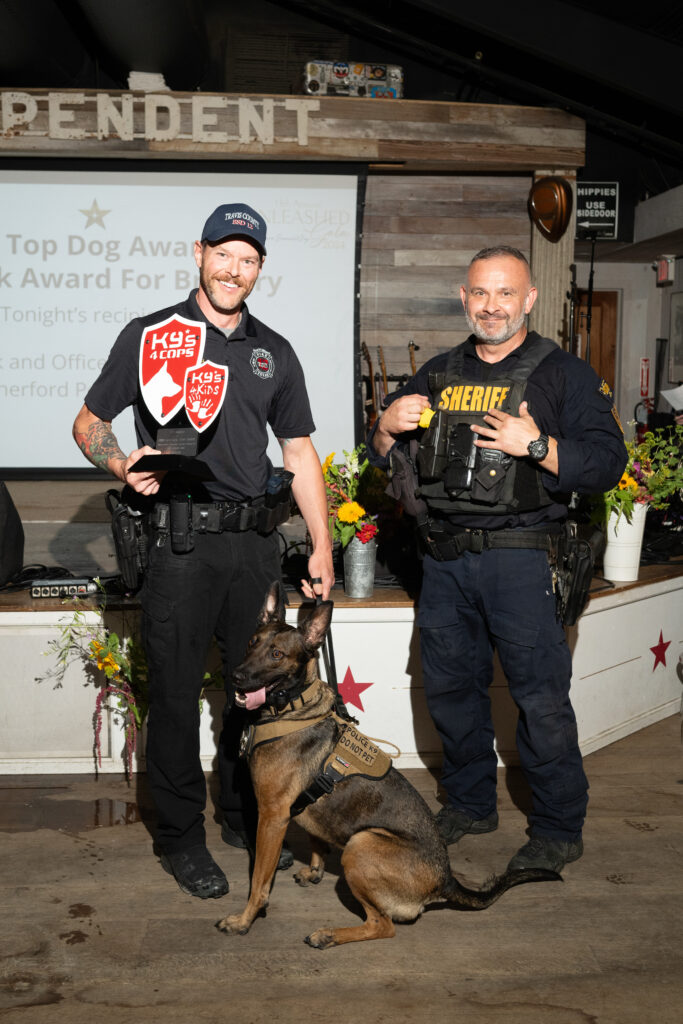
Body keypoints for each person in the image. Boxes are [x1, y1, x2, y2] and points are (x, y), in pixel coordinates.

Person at [73, 203, 334, 899]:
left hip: (256, 548)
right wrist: (120, 463)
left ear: (259, 269)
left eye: (248, 260)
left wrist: (321, 545)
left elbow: (299, 451)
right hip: (181, 545)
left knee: (253, 695)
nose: (233, 270)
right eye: (224, 254)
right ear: (199, 253)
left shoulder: (274, 350)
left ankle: (244, 819)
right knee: (176, 693)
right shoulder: (150, 334)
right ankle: (181, 837)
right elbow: (89, 421)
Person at [368, 245, 627, 873]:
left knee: (540, 701)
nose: (492, 306)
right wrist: (385, 425)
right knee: (452, 693)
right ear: (464, 298)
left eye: (505, 293)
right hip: (444, 562)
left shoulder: (564, 374)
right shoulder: (437, 372)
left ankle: (558, 828)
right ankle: (469, 802)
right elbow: (379, 457)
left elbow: (608, 463)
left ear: (529, 299)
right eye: (481, 293)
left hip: (523, 562)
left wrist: (536, 445)